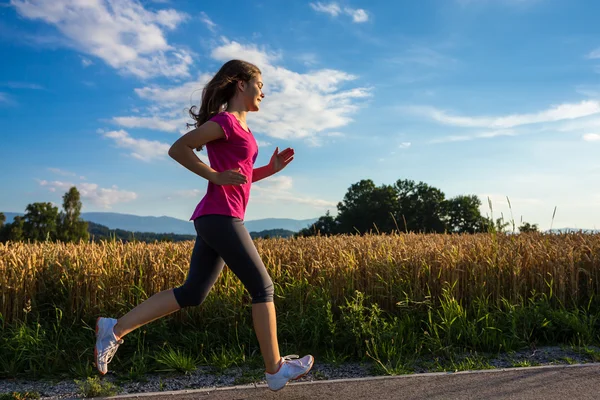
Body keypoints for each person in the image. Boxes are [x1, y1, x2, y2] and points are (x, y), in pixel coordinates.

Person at [94, 59, 314, 391]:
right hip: (219, 215)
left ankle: (114, 328)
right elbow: (177, 148)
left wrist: (270, 169)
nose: (263, 93)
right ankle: (275, 369)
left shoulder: (242, 127)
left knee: (193, 293)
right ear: (241, 84)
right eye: (260, 85)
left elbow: (239, 177)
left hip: (220, 216)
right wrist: (213, 175)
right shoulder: (225, 121)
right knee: (262, 288)